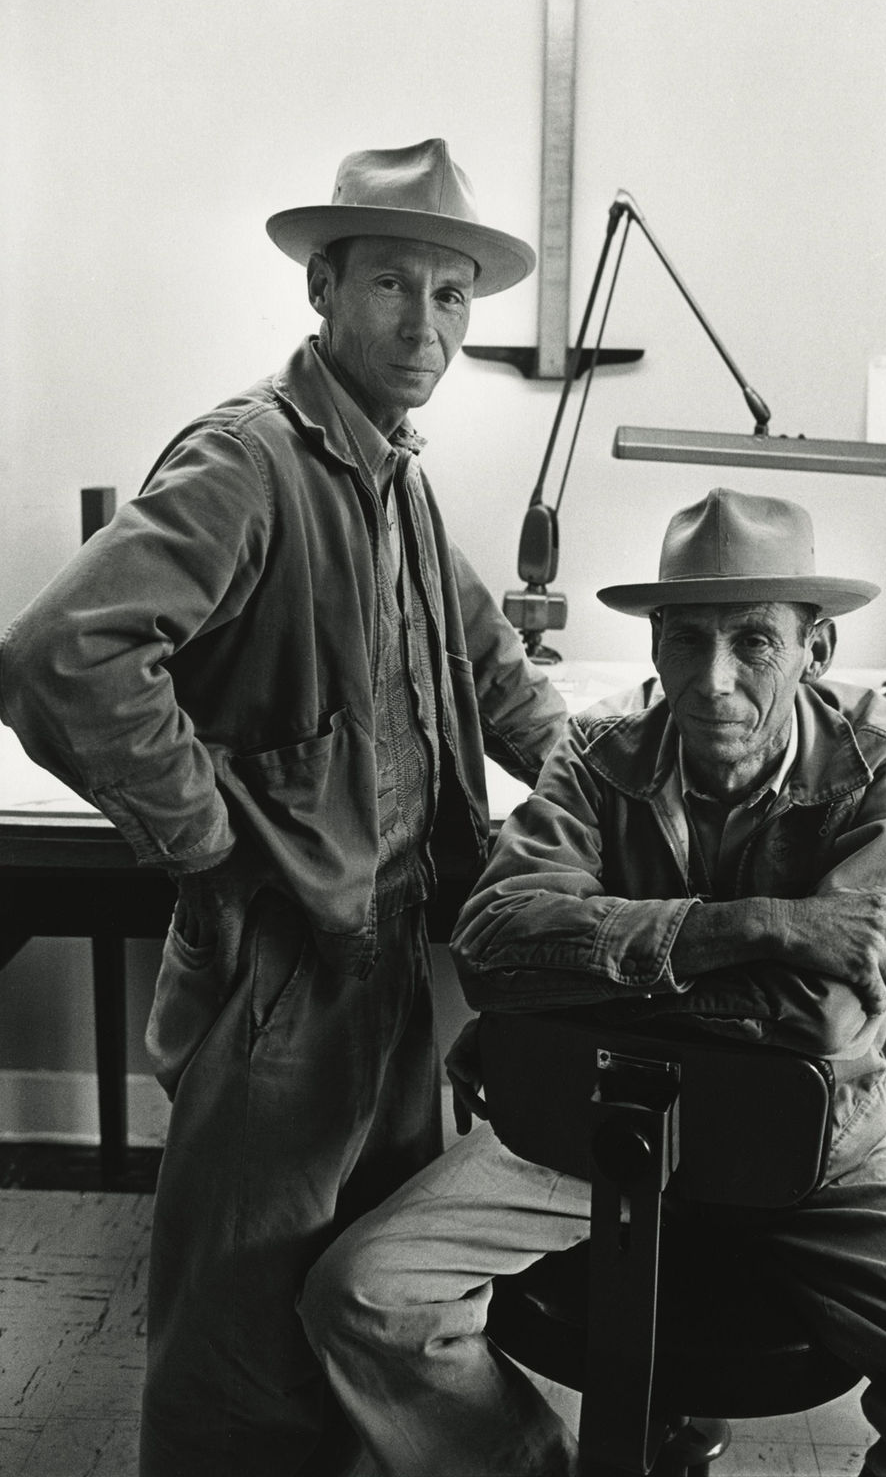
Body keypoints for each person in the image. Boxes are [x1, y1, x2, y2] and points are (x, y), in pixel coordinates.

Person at [0, 138, 568, 1476]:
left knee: (356, 1288)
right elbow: (60, 652)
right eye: (390, 286)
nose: (423, 323)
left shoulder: (395, 472)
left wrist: (630, 790)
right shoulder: (252, 458)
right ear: (322, 288)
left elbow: (493, 675)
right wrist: (206, 841)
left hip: (399, 959)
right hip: (286, 972)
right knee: (236, 1325)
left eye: (449, 295)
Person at [297, 489, 886, 1476]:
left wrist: (563, 992)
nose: (712, 681)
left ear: (814, 650)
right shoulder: (591, 752)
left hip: (814, 1143)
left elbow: (815, 1021)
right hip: (590, 1120)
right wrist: (756, 924)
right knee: (359, 1295)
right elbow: (487, 943)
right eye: (684, 639)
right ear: (652, 647)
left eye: (752, 641)